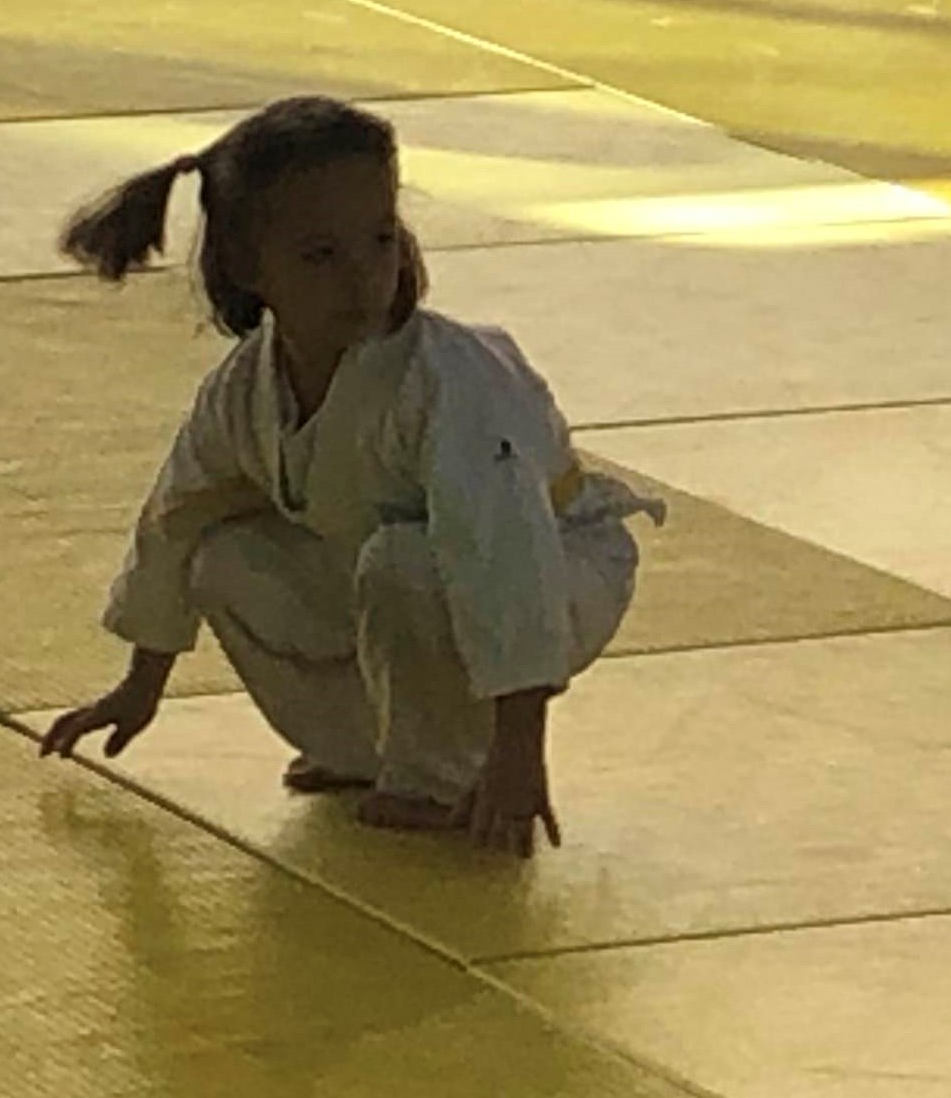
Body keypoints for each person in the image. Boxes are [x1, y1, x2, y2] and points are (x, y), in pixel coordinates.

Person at [36, 96, 665, 858]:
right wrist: (141, 685)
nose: (362, 275)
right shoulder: (243, 390)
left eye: (380, 239)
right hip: (395, 567)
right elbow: (175, 520)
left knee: (405, 561)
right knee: (224, 557)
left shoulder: (447, 380)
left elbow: (505, 556)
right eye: (320, 255)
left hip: (558, 561)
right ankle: (362, 749)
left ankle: (443, 775)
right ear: (247, 266)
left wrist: (517, 752)